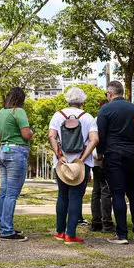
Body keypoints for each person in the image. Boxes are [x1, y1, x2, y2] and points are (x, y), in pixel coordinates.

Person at [48, 87, 99, 245]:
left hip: (62, 164)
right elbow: (94, 139)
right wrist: (82, 159)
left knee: (62, 196)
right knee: (76, 196)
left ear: (67, 99)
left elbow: (52, 136)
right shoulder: (88, 117)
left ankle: (59, 231)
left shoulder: (58, 115)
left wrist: (59, 155)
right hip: (80, 164)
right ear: (82, 101)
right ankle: (71, 234)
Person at [96, 81, 134, 245]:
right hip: (133, 155)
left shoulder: (105, 110)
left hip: (114, 154)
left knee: (117, 193)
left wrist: (100, 156)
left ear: (109, 94)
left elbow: (100, 136)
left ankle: (122, 233)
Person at [0, 87, 33, 241]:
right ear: (21, 99)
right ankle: (7, 230)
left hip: (2, 151)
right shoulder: (18, 112)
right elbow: (25, 134)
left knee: (4, 192)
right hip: (16, 152)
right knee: (12, 194)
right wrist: (31, 133)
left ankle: (2, 225)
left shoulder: (0, 113)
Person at [90, 99, 114, 233]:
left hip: (94, 160)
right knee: (105, 190)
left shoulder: (94, 119)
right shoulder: (106, 119)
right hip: (103, 158)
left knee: (96, 191)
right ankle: (106, 222)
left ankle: (96, 222)